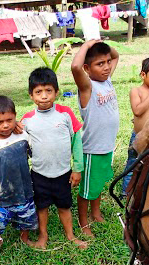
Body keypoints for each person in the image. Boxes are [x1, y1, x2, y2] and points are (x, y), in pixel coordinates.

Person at [21, 67, 87, 249]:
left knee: (64, 206)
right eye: (38, 92)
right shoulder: (26, 120)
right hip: (39, 174)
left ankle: (71, 235)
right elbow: (21, 145)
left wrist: (77, 168)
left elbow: (77, 142)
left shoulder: (65, 114)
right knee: (41, 207)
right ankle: (43, 236)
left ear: (56, 92)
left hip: (63, 173)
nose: (44, 96)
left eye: (48, 91)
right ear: (31, 95)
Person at [0, 96, 38, 263]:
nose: (5, 125)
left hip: (25, 191)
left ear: (15, 117)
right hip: (0, 198)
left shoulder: (23, 136)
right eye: (0, 122)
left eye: (9, 120)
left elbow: (32, 153)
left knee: (27, 219)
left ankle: (24, 238)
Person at [71, 40, 120, 237]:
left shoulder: (106, 80)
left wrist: (102, 43)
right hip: (92, 149)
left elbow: (116, 55)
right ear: (87, 68)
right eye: (100, 64)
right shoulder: (87, 87)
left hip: (107, 146)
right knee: (87, 189)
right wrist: (87, 44)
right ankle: (83, 221)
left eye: (107, 62)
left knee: (97, 183)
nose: (107, 66)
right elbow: (75, 66)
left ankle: (96, 212)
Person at [122, 57, 149, 196]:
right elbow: (137, 111)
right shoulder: (136, 91)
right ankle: (126, 193)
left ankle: (148, 192)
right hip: (139, 136)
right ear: (143, 75)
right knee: (133, 165)